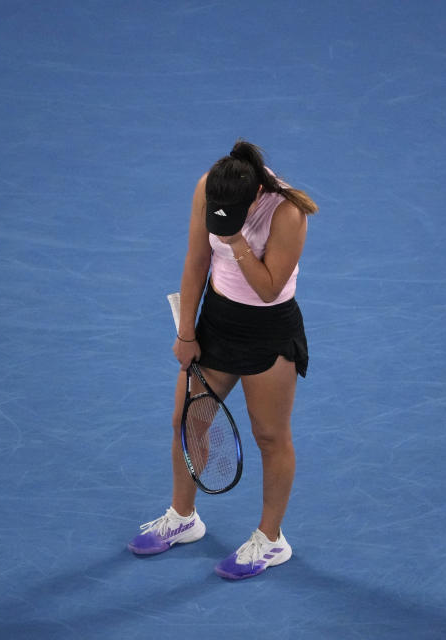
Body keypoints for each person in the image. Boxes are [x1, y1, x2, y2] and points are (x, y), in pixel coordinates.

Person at [128, 140, 318, 580]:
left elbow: (270, 288)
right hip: (217, 322)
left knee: (270, 436)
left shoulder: (288, 213)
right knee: (187, 419)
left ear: (254, 196)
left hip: (268, 332)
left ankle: (271, 540)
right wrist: (187, 333)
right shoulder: (209, 188)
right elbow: (196, 261)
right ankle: (183, 517)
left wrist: (235, 242)